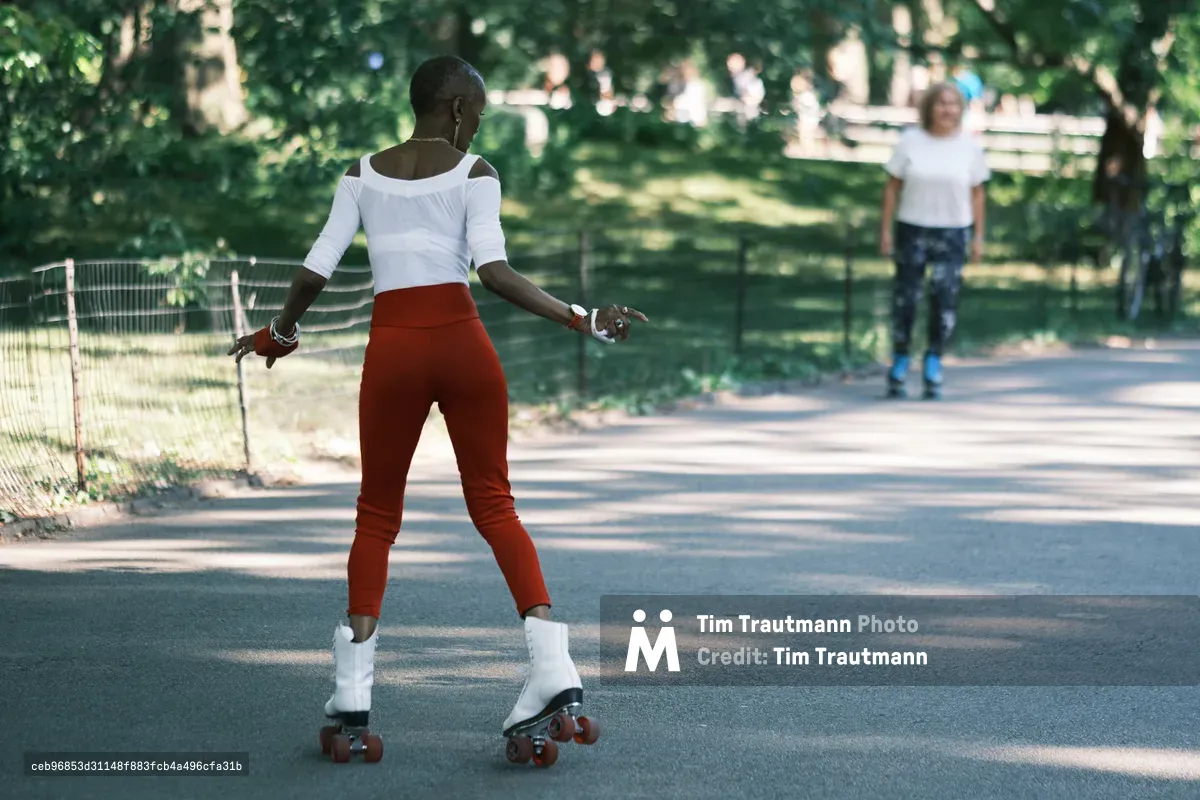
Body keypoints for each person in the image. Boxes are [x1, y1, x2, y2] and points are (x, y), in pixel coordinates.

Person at [228, 55, 647, 760]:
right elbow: (494, 271)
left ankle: (354, 695)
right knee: (495, 505)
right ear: (456, 110)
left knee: (377, 517)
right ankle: (552, 671)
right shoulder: (476, 173)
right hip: (462, 348)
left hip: (393, 351)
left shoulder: (359, 174)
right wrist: (580, 317)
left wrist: (282, 332)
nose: (474, 129)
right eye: (476, 116)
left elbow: (315, 268)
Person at [879, 81, 989, 399]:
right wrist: (885, 230)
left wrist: (978, 238)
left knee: (944, 300)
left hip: (953, 231)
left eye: (953, 104)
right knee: (907, 299)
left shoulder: (969, 146)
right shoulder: (910, 141)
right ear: (929, 107)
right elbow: (891, 187)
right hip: (913, 228)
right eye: (941, 103)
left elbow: (978, 194)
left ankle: (933, 360)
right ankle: (900, 359)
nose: (947, 109)